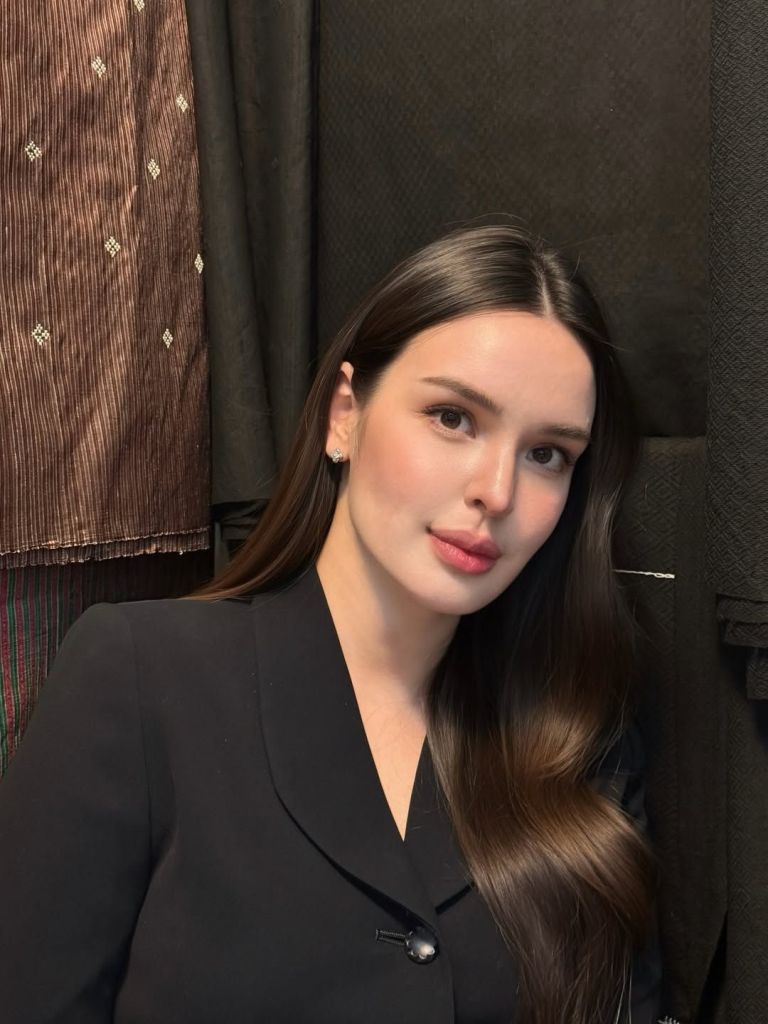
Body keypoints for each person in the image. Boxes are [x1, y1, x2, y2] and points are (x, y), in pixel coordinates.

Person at [0, 223, 661, 1023]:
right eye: (453, 418)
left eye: (547, 453)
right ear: (345, 415)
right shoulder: (139, 678)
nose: (497, 491)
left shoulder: (577, 736)